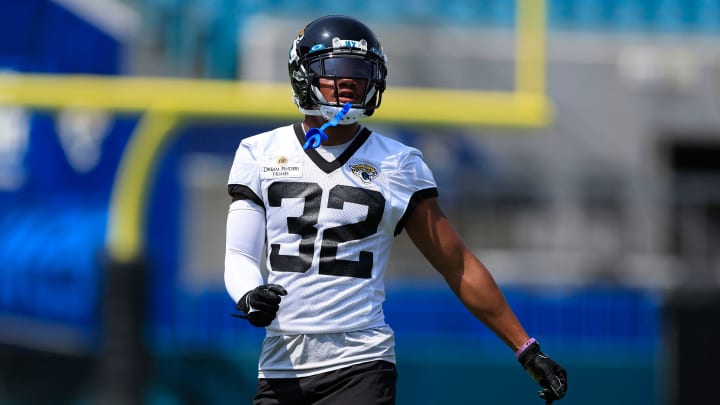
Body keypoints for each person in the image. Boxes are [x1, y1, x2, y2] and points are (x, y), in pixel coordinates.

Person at [225, 14, 567, 405]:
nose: (350, 81)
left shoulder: (398, 163)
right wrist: (249, 293)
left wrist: (526, 348)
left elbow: (456, 264)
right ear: (304, 75)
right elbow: (239, 254)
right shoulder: (260, 152)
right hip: (280, 365)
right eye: (336, 69)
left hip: (361, 363)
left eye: (360, 71)